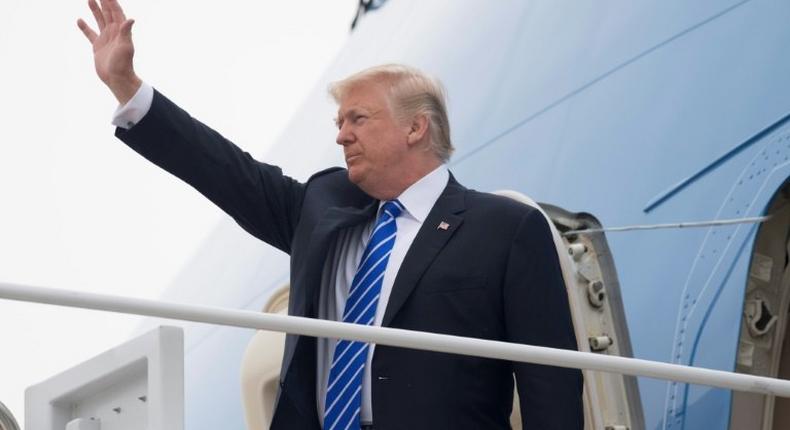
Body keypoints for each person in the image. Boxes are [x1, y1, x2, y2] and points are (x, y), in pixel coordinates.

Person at [78, 1, 584, 429]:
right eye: (339, 122)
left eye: (358, 119)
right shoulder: (322, 210)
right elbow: (224, 170)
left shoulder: (504, 228)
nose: (341, 135)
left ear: (415, 129)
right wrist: (127, 86)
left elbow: (551, 383)